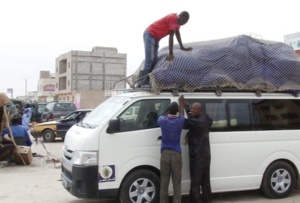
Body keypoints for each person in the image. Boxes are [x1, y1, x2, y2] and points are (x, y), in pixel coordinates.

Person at [139, 11, 192, 88]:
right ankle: (143, 82)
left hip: (156, 38)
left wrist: (182, 47)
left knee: (155, 60)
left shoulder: (177, 24)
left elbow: (177, 34)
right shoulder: (173, 18)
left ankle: (144, 81)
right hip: (150, 34)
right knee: (150, 59)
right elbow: (171, 36)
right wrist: (171, 53)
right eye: (183, 21)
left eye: (185, 22)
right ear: (179, 16)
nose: (183, 23)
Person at [182, 96, 213, 203]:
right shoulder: (205, 118)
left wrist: (183, 107)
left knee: (195, 181)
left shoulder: (195, 122)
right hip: (206, 155)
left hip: (197, 156)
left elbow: (184, 124)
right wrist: (188, 106)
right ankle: (207, 200)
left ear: (200, 110)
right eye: (191, 108)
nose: (191, 110)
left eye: (194, 109)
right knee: (205, 181)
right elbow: (209, 121)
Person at [157, 96, 185, 203]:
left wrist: (168, 111)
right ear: (177, 111)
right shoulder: (180, 121)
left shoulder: (162, 120)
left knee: (164, 181)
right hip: (176, 154)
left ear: (168, 110)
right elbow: (182, 114)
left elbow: (161, 116)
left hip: (165, 154)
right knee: (176, 181)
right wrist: (181, 104)